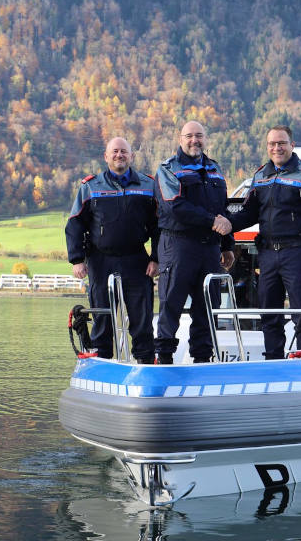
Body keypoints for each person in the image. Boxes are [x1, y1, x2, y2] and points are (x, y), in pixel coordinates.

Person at [225, 125, 301, 359]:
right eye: (272, 144)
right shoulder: (260, 176)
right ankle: (273, 360)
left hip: (298, 254)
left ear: (292, 145)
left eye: (282, 143)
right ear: (267, 147)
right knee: (268, 313)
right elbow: (248, 213)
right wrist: (226, 224)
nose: (277, 148)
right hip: (267, 255)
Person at [65, 137, 159, 363]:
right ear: (106, 156)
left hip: (136, 260)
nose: (119, 155)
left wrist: (156, 258)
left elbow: (159, 226)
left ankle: (145, 363)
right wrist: (77, 260)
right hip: (100, 261)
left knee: (142, 318)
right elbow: (75, 223)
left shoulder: (148, 185)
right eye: (115, 151)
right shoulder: (90, 186)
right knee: (102, 319)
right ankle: (102, 362)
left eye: (124, 151)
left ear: (132, 156)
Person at [154, 121, 236, 364]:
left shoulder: (215, 169)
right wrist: (212, 221)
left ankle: (202, 359)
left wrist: (227, 245)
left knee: (208, 306)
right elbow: (175, 207)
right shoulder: (168, 169)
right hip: (178, 246)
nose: (194, 140)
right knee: (171, 304)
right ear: (180, 139)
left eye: (199, 135)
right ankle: (164, 359)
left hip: (210, 249)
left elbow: (223, 209)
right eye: (189, 136)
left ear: (205, 139)